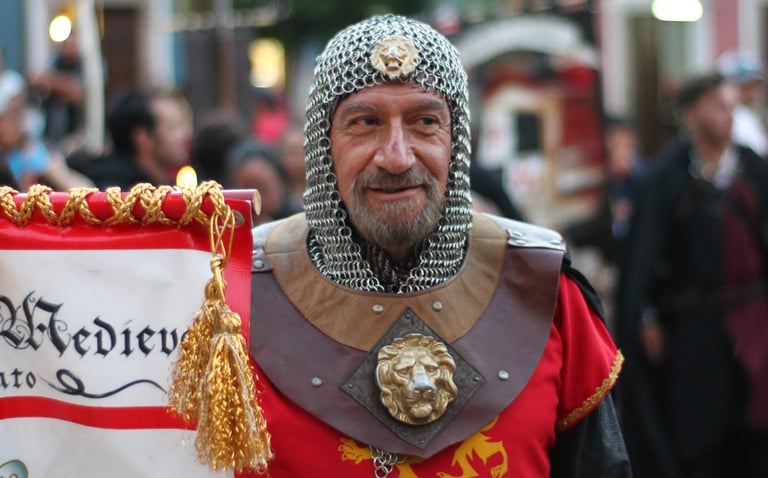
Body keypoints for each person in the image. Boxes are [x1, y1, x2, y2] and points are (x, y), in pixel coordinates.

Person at [188, 15, 630, 477]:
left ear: (456, 139)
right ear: (323, 144)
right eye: (366, 122)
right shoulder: (234, 299)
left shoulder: (546, 292)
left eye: (425, 122)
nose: (396, 157)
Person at [617, 73, 768, 478]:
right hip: (692, 327)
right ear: (690, 115)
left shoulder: (753, 169)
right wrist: (645, 315)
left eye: (731, 107)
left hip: (754, 321)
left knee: (755, 430)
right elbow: (641, 260)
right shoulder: (664, 178)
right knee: (698, 435)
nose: (728, 116)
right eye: (717, 106)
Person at [83, 87, 192, 189]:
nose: (186, 134)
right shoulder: (119, 193)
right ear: (142, 137)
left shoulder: (164, 183)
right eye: (173, 127)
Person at [718, 50, 768, 157]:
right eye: (745, 86)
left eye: (755, 85)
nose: (752, 91)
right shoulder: (732, 116)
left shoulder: (752, 114)